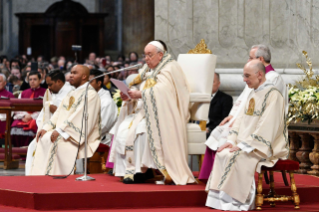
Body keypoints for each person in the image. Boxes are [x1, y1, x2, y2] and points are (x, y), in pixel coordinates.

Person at [205, 60, 288, 211]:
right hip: (245, 143)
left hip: (264, 146)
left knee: (235, 156)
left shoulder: (273, 95)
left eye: (247, 76)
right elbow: (239, 121)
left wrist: (244, 145)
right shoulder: (252, 93)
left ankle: (238, 202)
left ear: (260, 75)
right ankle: (221, 201)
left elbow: (267, 126)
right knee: (223, 152)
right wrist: (231, 140)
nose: (244, 80)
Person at [109, 41, 196, 185]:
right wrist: (129, 96)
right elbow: (139, 91)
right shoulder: (148, 71)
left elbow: (164, 92)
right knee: (125, 127)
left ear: (160, 55)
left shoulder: (170, 68)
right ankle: (135, 170)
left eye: (150, 55)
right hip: (145, 110)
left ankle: (141, 170)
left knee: (141, 130)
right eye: (145, 55)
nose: (146, 59)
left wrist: (139, 94)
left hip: (167, 112)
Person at [206, 44, 288, 154]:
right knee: (216, 137)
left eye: (250, 57)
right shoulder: (253, 77)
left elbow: (266, 109)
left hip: (258, 128)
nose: (248, 60)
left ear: (260, 59)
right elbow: (245, 99)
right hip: (246, 121)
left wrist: (240, 120)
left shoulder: (273, 78)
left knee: (224, 146)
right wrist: (233, 115)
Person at [29, 65, 101, 175]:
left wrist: (61, 131)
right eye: (71, 72)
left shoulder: (90, 94)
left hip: (76, 135)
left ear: (84, 76)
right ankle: (41, 178)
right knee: (43, 138)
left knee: (57, 142)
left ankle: (56, 179)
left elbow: (78, 117)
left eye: (74, 73)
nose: (70, 75)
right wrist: (46, 128)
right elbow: (58, 113)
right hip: (64, 131)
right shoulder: (72, 93)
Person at [25, 70, 74, 175]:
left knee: (42, 144)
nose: (49, 88)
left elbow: (71, 115)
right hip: (52, 128)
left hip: (65, 131)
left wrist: (53, 109)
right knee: (33, 146)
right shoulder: (55, 92)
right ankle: (35, 174)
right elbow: (46, 114)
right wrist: (44, 128)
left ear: (59, 82)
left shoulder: (70, 93)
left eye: (50, 84)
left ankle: (49, 173)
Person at [198, 73, 233, 181]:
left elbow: (224, 119)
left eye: (212, 82)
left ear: (218, 83)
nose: (209, 85)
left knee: (211, 136)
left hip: (213, 129)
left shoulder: (225, 98)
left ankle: (208, 173)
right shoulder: (200, 98)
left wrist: (210, 128)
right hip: (199, 128)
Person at [10, 72, 46, 147]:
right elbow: (17, 107)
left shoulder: (46, 92)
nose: (32, 81)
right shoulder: (23, 93)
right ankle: (18, 150)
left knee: (34, 125)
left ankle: (31, 149)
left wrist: (32, 116)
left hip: (37, 117)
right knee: (14, 125)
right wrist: (25, 116)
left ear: (40, 80)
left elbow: (46, 108)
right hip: (23, 117)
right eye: (30, 79)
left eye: (35, 79)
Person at [89, 69, 117, 145]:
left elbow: (102, 127)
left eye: (90, 82)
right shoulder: (89, 98)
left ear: (99, 83)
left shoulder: (107, 102)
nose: (87, 85)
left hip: (102, 143)